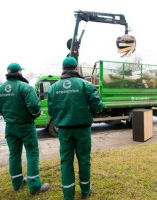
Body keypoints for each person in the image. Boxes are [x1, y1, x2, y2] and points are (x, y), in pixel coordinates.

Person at [47, 57, 103, 199]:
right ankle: (85, 190)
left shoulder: (53, 88)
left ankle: (68, 195)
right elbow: (98, 107)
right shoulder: (86, 85)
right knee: (84, 159)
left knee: (66, 161)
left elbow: (51, 111)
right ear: (76, 68)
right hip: (82, 129)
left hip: (64, 130)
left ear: (62, 69)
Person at [0, 63, 49, 195]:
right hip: (26, 126)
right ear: (19, 72)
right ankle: (34, 187)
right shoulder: (25, 87)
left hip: (10, 127)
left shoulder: (0, 89)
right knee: (32, 153)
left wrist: (8, 115)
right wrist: (33, 116)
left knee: (14, 154)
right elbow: (35, 108)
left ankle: (17, 184)